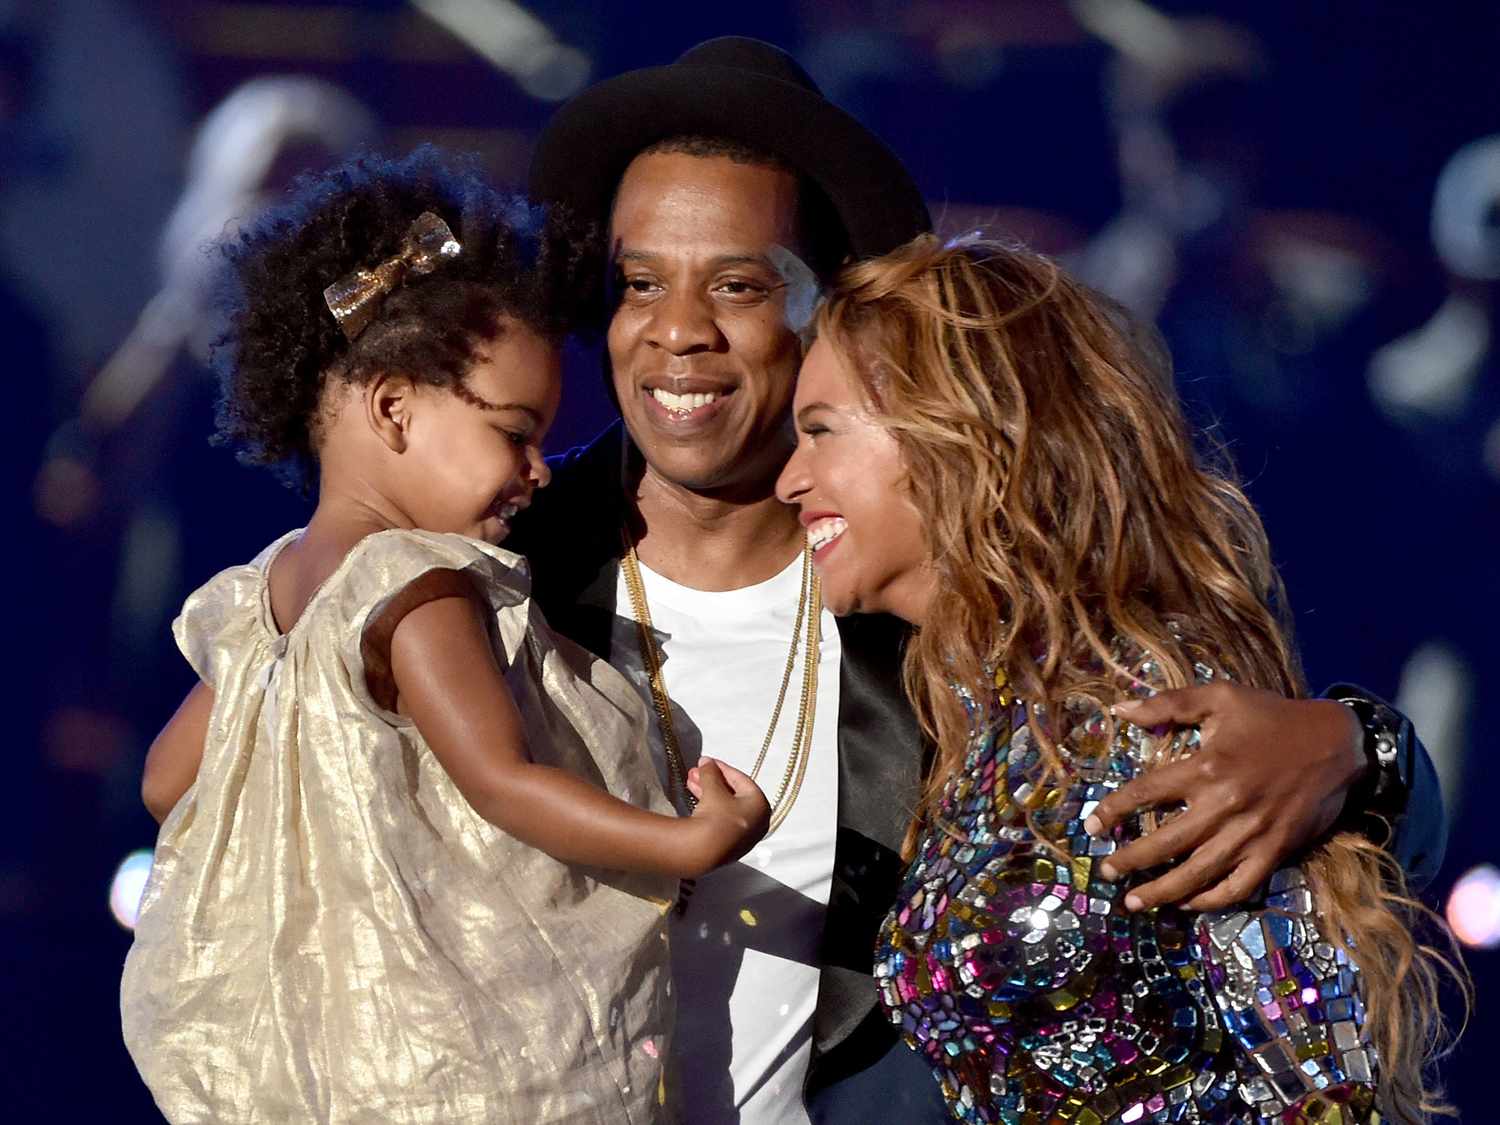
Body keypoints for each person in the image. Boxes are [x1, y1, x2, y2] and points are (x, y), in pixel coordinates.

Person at [519, 36, 1445, 1122]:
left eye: (738, 283)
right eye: (640, 284)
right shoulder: (506, 572)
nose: (679, 330)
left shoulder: (934, 612)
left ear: (822, 314)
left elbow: (1320, 895)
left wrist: (1358, 749)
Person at [119, 147, 769, 1125]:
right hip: (439, 1038)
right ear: (391, 407)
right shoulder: (415, 584)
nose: (540, 470)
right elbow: (504, 781)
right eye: (515, 431)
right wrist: (683, 840)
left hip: (315, 1039)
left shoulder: (268, 590)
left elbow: (166, 782)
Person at [775, 235, 1455, 1123]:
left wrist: (1358, 745)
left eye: (820, 430)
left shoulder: (1159, 705)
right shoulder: (983, 723)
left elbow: (1320, 1085)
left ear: (955, 427)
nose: (789, 478)